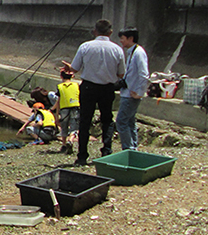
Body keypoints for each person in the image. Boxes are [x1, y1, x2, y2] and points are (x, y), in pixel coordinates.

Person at [62, 19, 125, 165]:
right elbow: (121, 74)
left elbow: (75, 69)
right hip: (108, 88)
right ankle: (107, 151)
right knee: (107, 120)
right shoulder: (117, 49)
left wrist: (68, 68)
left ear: (94, 31)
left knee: (85, 121)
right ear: (110, 32)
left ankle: (82, 156)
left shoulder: (85, 47)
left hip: (89, 87)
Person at [116, 27, 149, 151]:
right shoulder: (132, 52)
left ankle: (128, 149)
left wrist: (140, 92)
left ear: (130, 38)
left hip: (131, 95)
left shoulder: (139, 52)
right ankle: (133, 148)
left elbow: (144, 74)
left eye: (123, 38)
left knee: (121, 121)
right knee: (130, 122)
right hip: (128, 92)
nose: (121, 41)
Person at [51, 70, 81, 155]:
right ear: (72, 77)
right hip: (75, 106)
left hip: (64, 108)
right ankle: (71, 140)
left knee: (64, 126)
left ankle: (64, 144)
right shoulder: (76, 85)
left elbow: (58, 101)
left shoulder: (60, 87)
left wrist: (56, 115)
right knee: (74, 126)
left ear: (61, 77)